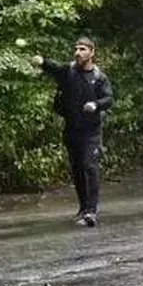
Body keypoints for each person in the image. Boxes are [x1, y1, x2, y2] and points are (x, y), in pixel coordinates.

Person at [31, 37, 114, 227]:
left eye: (82, 49)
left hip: (91, 130)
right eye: (76, 49)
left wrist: (96, 104)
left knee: (89, 166)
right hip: (72, 128)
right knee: (77, 169)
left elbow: (109, 98)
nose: (78, 52)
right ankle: (83, 208)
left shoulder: (99, 77)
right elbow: (53, 67)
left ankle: (91, 212)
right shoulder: (68, 72)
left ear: (92, 52)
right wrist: (42, 61)